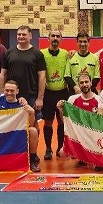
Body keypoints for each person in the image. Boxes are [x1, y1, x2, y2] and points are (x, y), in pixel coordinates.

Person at [0, 80, 41, 172]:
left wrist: (32, 112)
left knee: (33, 130)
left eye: (12, 91)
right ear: (3, 90)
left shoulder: (22, 105)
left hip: (16, 134)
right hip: (1, 133)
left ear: (17, 91)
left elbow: (30, 125)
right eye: (7, 90)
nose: (9, 93)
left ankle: (32, 159)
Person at [0, 25, 46, 111]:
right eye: (19, 34)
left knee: (33, 121)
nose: (21, 37)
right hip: (12, 94)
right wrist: (2, 94)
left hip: (31, 96)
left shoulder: (37, 54)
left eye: (24, 34)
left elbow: (42, 77)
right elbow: (3, 74)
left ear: (30, 36)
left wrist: (40, 98)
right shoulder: (8, 53)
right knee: (11, 121)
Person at [40, 29, 70, 160]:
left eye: (58, 36)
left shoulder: (66, 54)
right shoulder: (41, 54)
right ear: (48, 38)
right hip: (48, 93)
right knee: (48, 122)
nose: (55, 38)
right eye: (53, 36)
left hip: (63, 92)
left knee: (62, 121)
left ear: (61, 39)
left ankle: (60, 148)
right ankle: (48, 149)